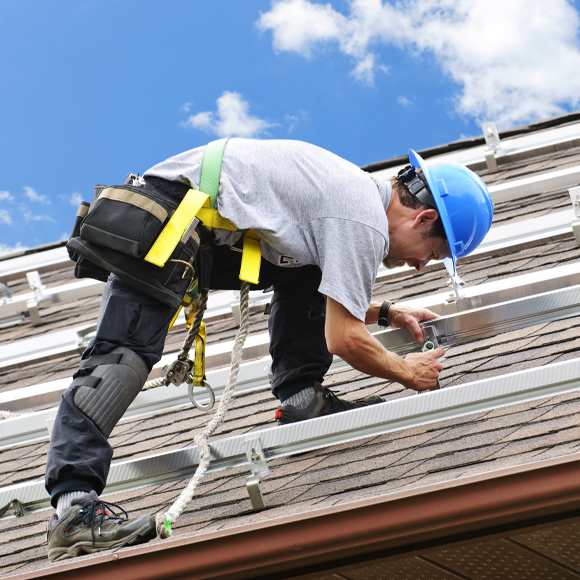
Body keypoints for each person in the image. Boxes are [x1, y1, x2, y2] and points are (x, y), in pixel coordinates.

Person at [44, 139, 493, 560]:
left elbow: (328, 289)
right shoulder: (362, 219)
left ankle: (303, 398)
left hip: (196, 225)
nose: (417, 266)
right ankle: (72, 510)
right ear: (424, 219)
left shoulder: (354, 197)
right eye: (430, 256)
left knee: (307, 272)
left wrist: (385, 312)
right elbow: (344, 339)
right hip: (168, 220)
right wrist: (406, 372)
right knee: (119, 363)